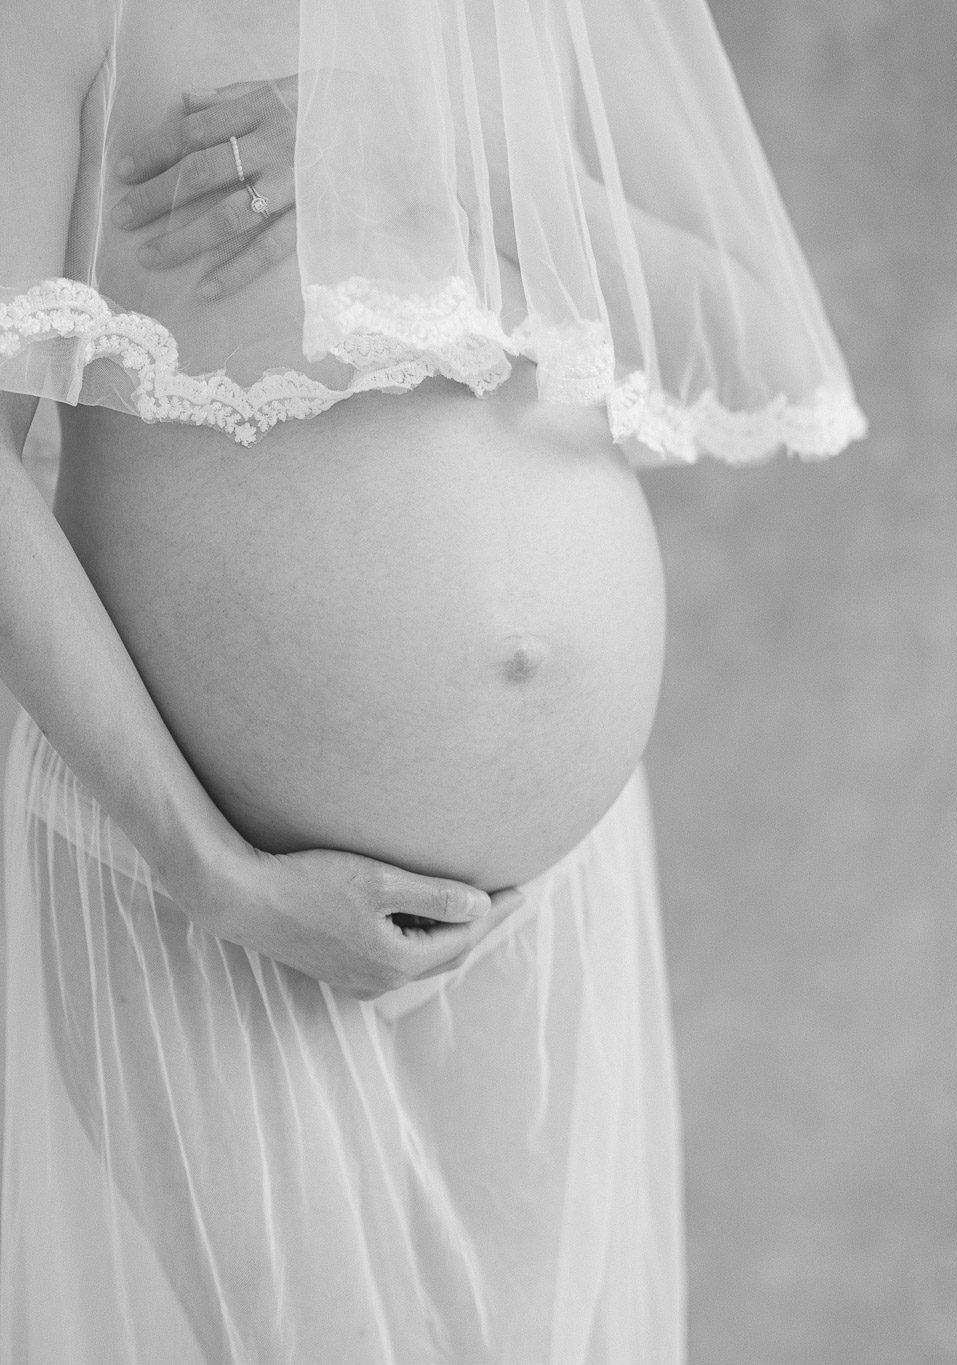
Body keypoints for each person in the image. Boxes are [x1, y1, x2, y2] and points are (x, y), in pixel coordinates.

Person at [0, 0, 865, 1359]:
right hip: (203, 881)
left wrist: (454, 168)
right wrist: (212, 869)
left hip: (551, 893)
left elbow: (754, 333)